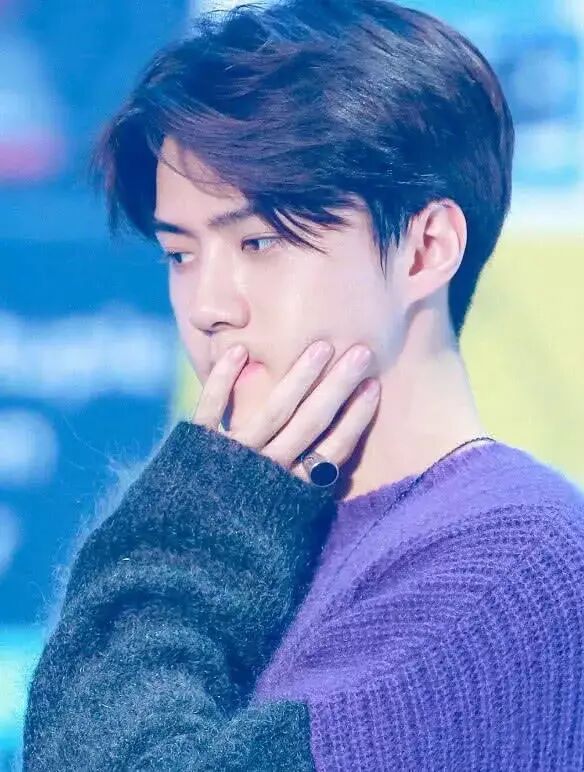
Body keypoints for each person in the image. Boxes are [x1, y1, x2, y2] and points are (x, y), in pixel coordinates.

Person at [22, 1, 584, 769]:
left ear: (426, 248)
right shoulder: (252, 520)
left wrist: (194, 529)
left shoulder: (512, 562)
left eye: (258, 242)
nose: (210, 306)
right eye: (181, 255)